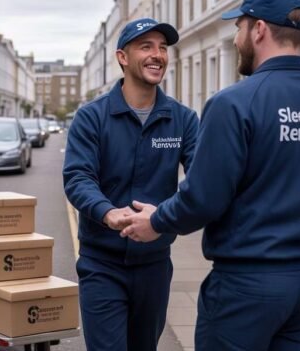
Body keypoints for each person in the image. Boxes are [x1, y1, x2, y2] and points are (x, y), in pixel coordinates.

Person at [119, 0, 300, 350]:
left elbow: (204, 197)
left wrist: (155, 222)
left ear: (259, 29)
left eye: (239, 28)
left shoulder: (234, 103)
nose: (236, 40)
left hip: (246, 286)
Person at [63, 18, 199, 350]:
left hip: (154, 264)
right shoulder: (91, 117)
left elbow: (201, 181)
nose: (158, 55)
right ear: (122, 57)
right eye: (146, 46)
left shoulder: (183, 119)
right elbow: (78, 177)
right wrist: (107, 212)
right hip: (101, 264)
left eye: (163, 48)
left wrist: (164, 218)